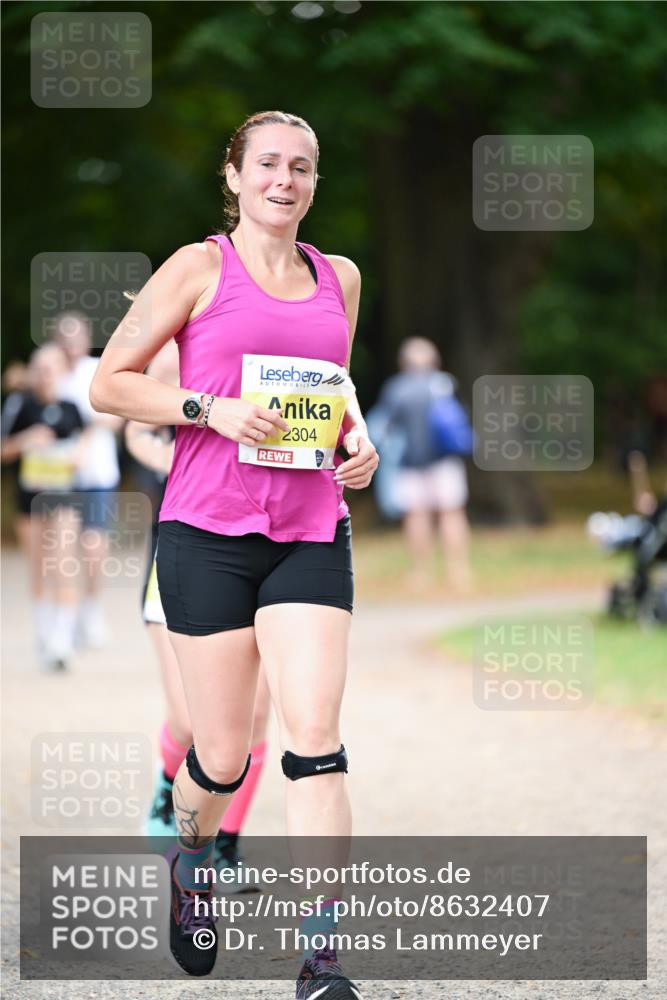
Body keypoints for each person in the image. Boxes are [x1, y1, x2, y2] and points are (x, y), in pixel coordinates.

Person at [90, 110, 378, 998]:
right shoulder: (196, 267)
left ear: (314, 181)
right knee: (219, 758)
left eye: (301, 167)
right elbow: (109, 383)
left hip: (309, 531)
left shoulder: (340, 277)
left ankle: (321, 958)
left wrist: (358, 440)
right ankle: (191, 860)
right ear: (234, 175)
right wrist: (206, 409)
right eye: (267, 164)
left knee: (315, 742)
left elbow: (332, 388)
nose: (284, 180)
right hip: (206, 532)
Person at [125, 340, 270, 889]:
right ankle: (170, 786)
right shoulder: (173, 349)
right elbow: (135, 425)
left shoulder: (276, 340)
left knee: (255, 716)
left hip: (266, 542)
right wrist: (181, 461)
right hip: (186, 546)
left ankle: (225, 846)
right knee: (191, 722)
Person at [1, 343, 86, 669]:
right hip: (29, 500)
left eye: (52, 367)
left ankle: (62, 641)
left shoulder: (71, 407)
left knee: (63, 563)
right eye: (40, 367)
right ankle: (44, 632)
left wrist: (79, 454)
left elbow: (84, 441)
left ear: (63, 371)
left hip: (64, 498)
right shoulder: (20, 404)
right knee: (38, 566)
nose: (46, 374)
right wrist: (27, 440)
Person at [376, 337, 472, 592]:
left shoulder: (396, 388)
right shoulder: (445, 383)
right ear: (435, 361)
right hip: (446, 461)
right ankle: (458, 571)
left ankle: (421, 573)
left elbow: (385, 426)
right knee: (452, 513)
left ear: (403, 363)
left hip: (410, 463)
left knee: (416, 516)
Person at [53, 311, 123, 648]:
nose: (70, 345)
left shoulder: (97, 369)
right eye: (64, 338)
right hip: (59, 478)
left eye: (76, 337)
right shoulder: (52, 373)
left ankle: (91, 608)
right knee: (63, 550)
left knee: (94, 547)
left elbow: (117, 417)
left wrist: (85, 429)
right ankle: (63, 617)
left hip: (97, 474)